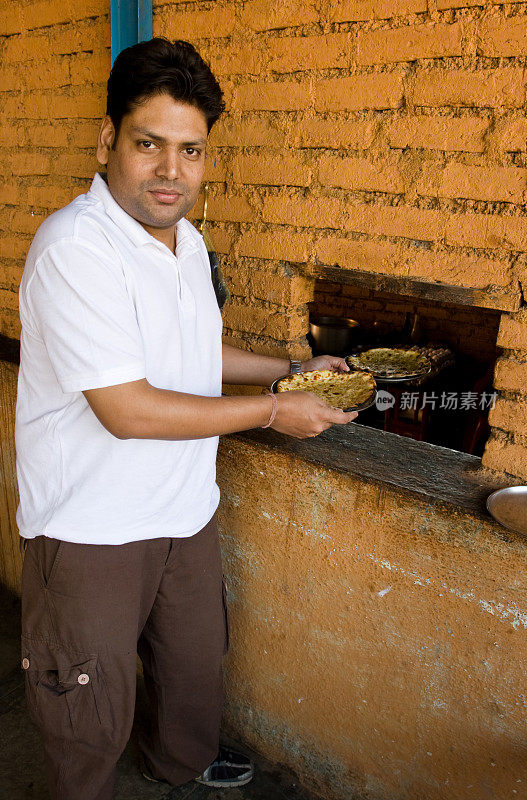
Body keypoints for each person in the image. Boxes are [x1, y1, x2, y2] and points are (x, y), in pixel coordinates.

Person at [15, 38, 358, 800]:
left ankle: (175, 767)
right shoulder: (76, 247)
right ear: (109, 141)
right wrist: (275, 411)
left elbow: (194, 349)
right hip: (90, 528)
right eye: (150, 145)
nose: (172, 172)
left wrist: (288, 369)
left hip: (182, 510)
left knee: (191, 670)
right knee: (87, 701)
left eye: (190, 151)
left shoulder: (187, 242)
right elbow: (127, 410)